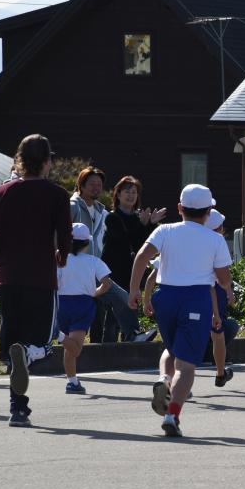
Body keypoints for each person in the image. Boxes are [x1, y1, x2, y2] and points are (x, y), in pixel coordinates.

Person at [0, 134, 72, 427]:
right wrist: (62, 255)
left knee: (14, 338)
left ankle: (18, 408)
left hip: (8, 277)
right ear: (47, 162)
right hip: (40, 276)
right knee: (43, 341)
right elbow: (65, 233)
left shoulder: (2, 191)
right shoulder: (55, 194)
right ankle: (28, 354)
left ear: (19, 160)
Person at [127, 184, 234, 437]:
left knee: (172, 349)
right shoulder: (215, 239)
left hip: (165, 296)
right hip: (196, 298)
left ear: (179, 208)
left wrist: (134, 290)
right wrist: (225, 285)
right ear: (208, 212)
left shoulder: (164, 230)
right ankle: (172, 414)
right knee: (186, 366)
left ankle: (164, 379)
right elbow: (224, 278)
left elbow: (142, 257)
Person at [68, 166, 146, 344]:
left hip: (94, 268)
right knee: (86, 309)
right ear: (81, 184)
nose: (96, 188)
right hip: (74, 268)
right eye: (92, 184)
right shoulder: (72, 207)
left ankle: (129, 335)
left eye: (99, 184)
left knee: (115, 301)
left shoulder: (99, 210)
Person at [101, 176, 165, 341]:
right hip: (113, 271)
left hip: (132, 271)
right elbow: (124, 240)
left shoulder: (139, 218)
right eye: (127, 192)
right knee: (114, 311)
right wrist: (143, 225)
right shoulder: (112, 217)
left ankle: (130, 341)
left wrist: (150, 224)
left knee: (128, 305)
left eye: (134, 192)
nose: (131, 195)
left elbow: (142, 245)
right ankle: (110, 345)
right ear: (118, 195)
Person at [57, 223, 113, 394]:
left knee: (70, 347)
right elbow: (107, 283)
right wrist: (94, 293)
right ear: (87, 243)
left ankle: (73, 382)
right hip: (83, 304)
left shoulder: (58, 258)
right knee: (76, 348)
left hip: (60, 303)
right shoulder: (94, 261)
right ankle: (56, 335)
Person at [207, 209, 239, 385]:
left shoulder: (192, 237)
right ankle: (220, 372)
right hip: (216, 289)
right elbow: (223, 272)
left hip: (190, 290)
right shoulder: (217, 241)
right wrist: (229, 290)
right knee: (217, 331)